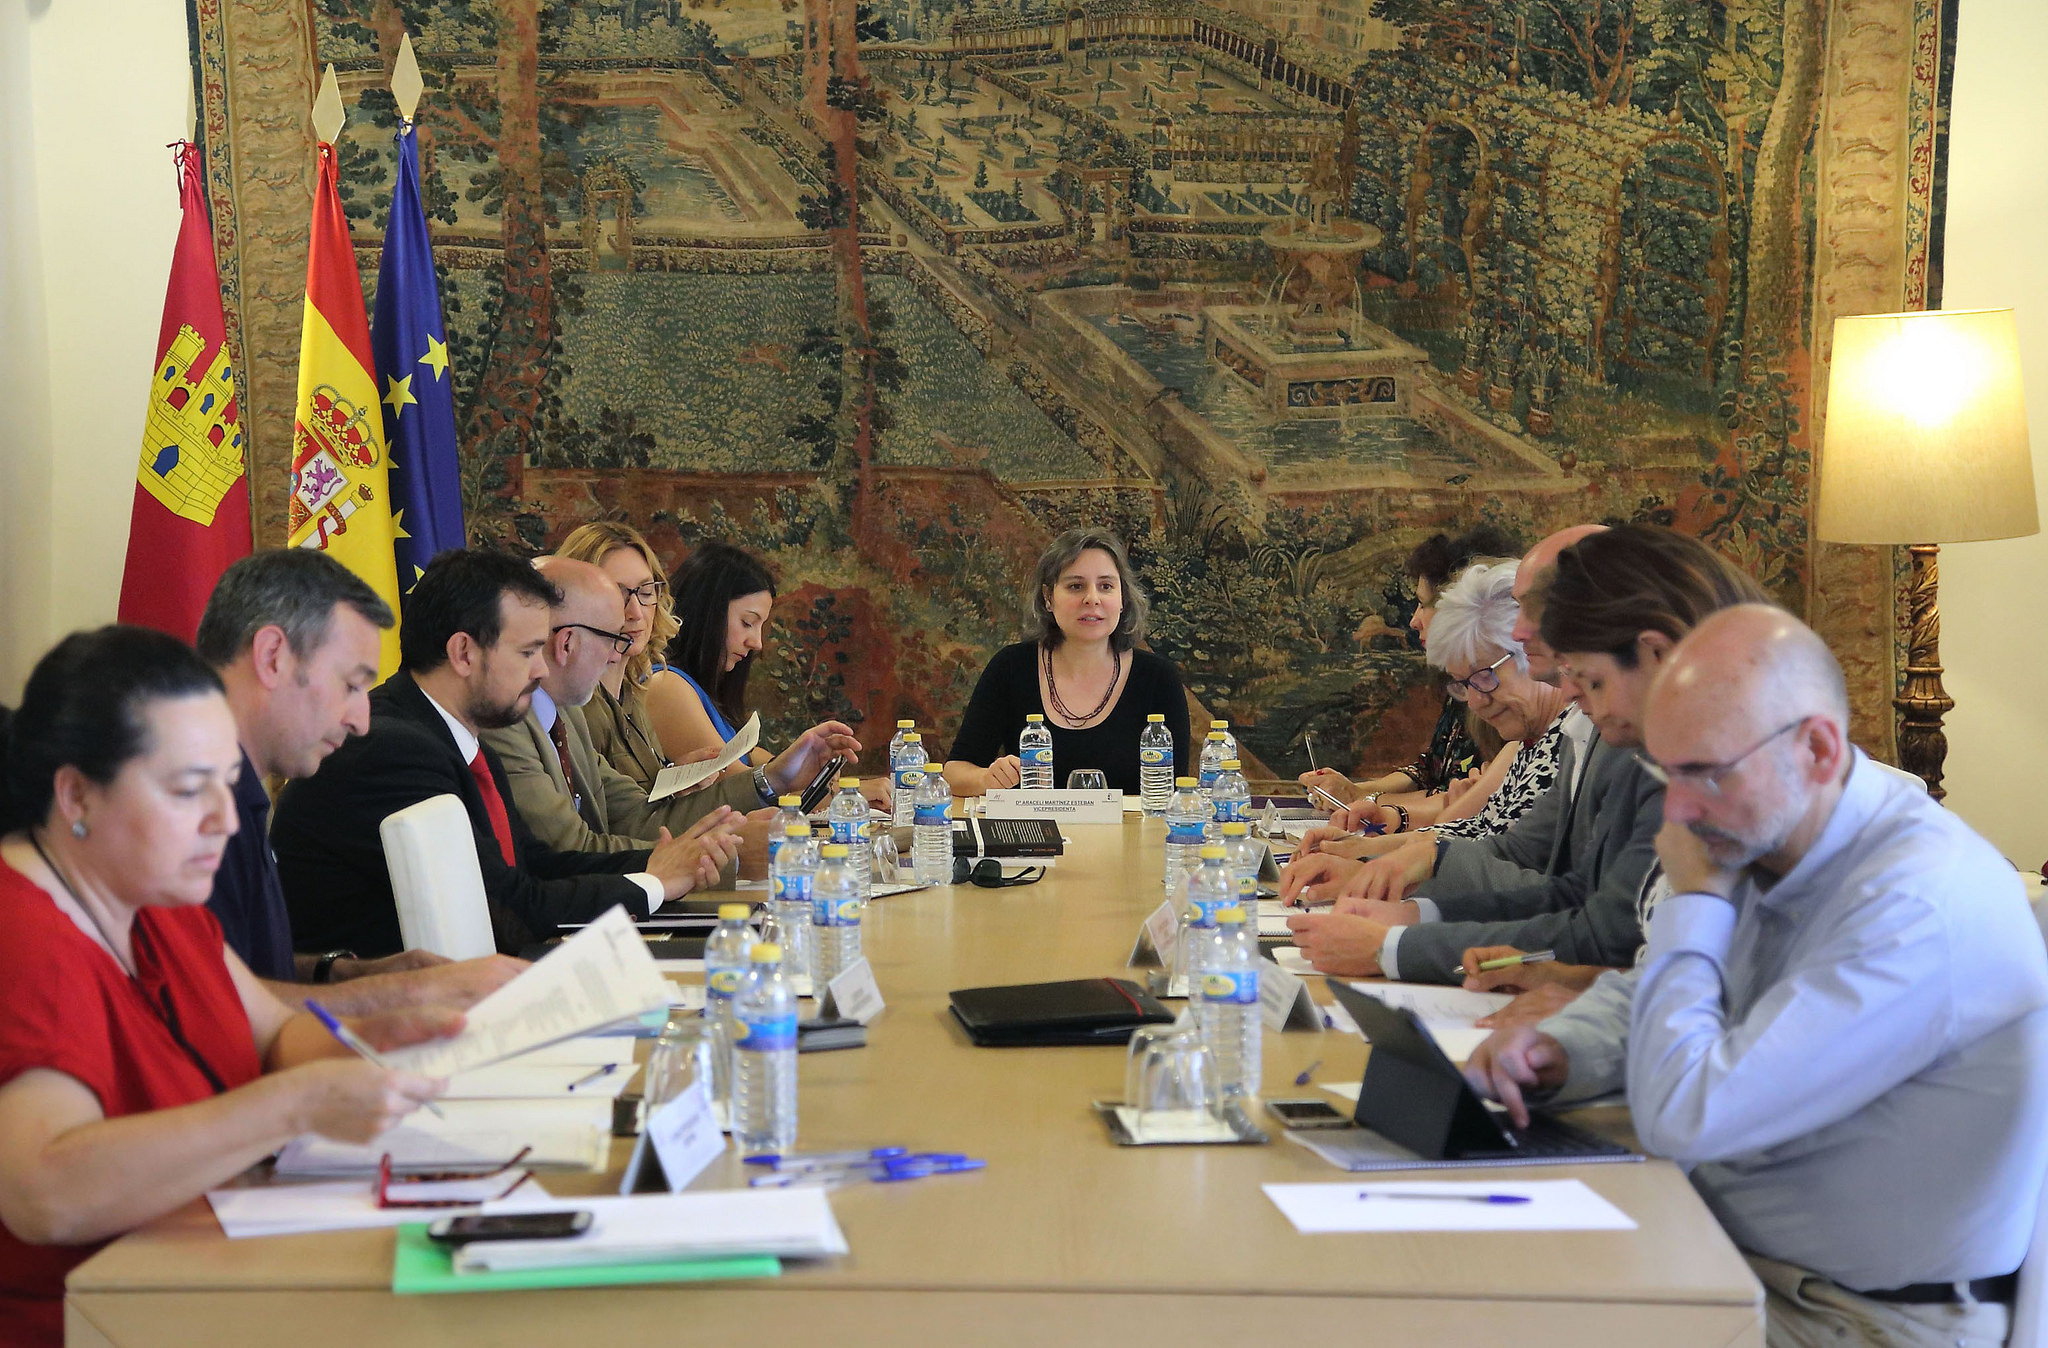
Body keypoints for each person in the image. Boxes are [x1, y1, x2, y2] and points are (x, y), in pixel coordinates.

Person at [1465, 607, 2048, 1348]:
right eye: (1668, 773)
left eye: (1703, 772)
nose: (1677, 811)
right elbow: (1664, 988)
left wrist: (1698, 906)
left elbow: (1690, 1114)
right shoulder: (1768, 822)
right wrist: (1561, 1048)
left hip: (1852, 1316)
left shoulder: (1915, 904)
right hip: (1728, 1253)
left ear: (1816, 747)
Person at [0, 627, 448, 1347]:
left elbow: (270, 1034)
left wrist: (370, 1041)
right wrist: (292, 1105)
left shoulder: (157, 900)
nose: (225, 820)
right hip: (99, 1322)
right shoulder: (23, 939)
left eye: (225, 783)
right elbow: (45, 1193)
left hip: (213, 1282)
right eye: (187, 790)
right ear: (76, 793)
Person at [1282, 525, 1764, 984]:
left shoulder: (1665, 753)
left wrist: (1394, 944)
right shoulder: (1614, 732)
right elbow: (1572, 895)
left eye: (1590, 678)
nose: (1524, 629)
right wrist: (1411, 910)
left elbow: (1609, 939)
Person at [271, 549, 745, 959]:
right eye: (527, 652)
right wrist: (656, 882)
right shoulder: (391, 748)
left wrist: (664, 860)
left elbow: (534, 861)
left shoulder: (458, 737)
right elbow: (506, 906)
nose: (542, 669)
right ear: (464, 654)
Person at [195, 548, 523, 1009]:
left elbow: (242, 966)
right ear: (272, 657)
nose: (361, 720)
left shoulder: (232, 787)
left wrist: (344, 973)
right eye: (351, 685)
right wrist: (387, 994)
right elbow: (204, 1006)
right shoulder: (185, 808)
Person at [481, 556, 792, 875]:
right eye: (613, 638)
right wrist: (726, 855)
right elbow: (571, 851)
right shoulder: (505, 726)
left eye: (647, 594)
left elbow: (639, 817)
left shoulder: (565, 717)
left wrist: (772, 781)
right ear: (567, 643)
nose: (618, 654)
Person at [1303, 560, 1573, 864]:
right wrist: (1359, 849)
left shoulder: (1575, 744)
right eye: (1463, 684)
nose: (1475, 702)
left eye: (1484, 676)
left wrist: (1368, 859)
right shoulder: (1525, 746)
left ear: (1533, 651)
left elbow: (1509, 864)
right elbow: (1467, 831)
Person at [944, 528, 1191, 797]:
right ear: (1048, 597)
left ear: (1123, 599)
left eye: (1106, 586)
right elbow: (955, 771)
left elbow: (1175, 793)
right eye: (1076, 586)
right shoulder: (1011, 667)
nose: (1092, 598)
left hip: (1132, 838)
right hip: (1033, 837)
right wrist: (986, 778)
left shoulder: (1158, 679)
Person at [1299, 524, 1521, 823]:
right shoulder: (1465, 687)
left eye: (1423, 603)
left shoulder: (1509, 709)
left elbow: (1460, 799)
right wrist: (1358, 791)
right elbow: (1433, 769)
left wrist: (1365, 800)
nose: (1415, 620)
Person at [643, 539, 883, 806]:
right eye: (747, 623)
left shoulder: (699, 692)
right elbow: (744, 791)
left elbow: (763, 767)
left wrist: (821, 773)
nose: (756, 642)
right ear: (707, 612)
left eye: (760, 626)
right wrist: (848, 796)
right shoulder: (666, 686)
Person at [552, 521, 679, 793]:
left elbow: (641, 801)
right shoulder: (575, 704)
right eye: (618, 594)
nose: (635, 612)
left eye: (645, 592)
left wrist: (677, 784)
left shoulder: (634, 688)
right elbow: (611, 820)